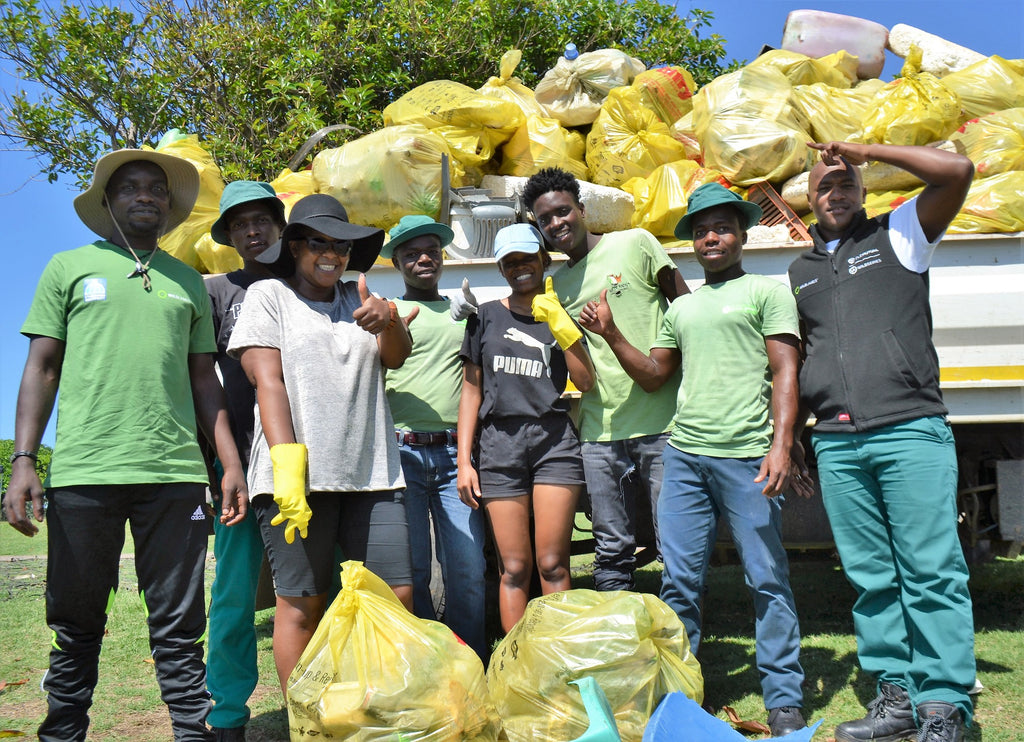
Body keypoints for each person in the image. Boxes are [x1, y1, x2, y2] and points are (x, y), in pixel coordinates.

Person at [4, 149, 247, 742]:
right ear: (108, 202)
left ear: (169, 207)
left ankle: (194, 733)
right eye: (132, 187)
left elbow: (202, 381)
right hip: (86, 472)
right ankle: (62, 733)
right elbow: (41, 368)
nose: (147, 196)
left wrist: (230, 460)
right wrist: (24, 461)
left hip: (174, 475)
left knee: (179, 627)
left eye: (157, 189)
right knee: (77, 624)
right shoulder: (69, 267)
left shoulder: (188, 281)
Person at [580, 183, 809, 737]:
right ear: (692, 241)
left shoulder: (766, 292)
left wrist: (781, 444)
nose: (712, 237)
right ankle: (682, 694)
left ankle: (783, 697)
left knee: (766, 578)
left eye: (723, 227)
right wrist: (610, 334)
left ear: (741, 234)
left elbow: (785, 372)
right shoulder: (680, 307)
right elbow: (656, 373)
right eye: (702, 230)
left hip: (748, 457)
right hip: (684, 456)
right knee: (679, 582)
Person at [788, 141, 976, 742]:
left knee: (932, 571)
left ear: (864, 191)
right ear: (809, 199)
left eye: (846, 184)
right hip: (839, 443)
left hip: (909, 429)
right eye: (824, 186)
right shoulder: (801, 272)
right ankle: (895, 698)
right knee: (871, 577)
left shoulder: (900, 235)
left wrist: (862, 149)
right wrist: (795, 435)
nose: (835, 193)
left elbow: (958, 170)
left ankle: (944, 706)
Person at [227, 193, 415, 697]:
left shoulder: (362, 300)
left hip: (372, 472)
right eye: (318, 243)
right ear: (294, 247)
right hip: (297, 482)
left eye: (342, 246)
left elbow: (394, 359)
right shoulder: (269, 296)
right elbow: (267, 380)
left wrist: (389, 319)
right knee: (302, 604)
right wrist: (289, 469)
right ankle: (305, 718)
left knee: (394, 597)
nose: (331, 254)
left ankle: (388, 712)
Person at [521, 168, 690, 591]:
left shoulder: (635, 243)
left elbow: (686, 311)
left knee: (674, 544)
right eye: (546, 219)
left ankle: (679, 643)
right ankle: (619, 639)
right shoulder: (555, 285)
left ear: (582, 209)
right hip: (599, 431)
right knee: (611, 547)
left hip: (663, 423)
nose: (557, 223)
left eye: (563, 212)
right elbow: (575, 364)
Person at [457, 223, 594, 632]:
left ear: (543, 260)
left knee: (553, 564)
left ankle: (560, 655)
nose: (520, 268)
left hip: (554, 440)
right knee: (514, 567)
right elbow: (470, 392)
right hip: (500, 444)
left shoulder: (560, 310)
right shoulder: (484, 317)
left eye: (527, 259)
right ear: (500, 268)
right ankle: (518, 663)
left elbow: (585, 382)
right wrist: (465, 461)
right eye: (510, 262)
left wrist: (563, 327)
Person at [381, 214, 489, 659]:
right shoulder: (388, 313)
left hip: (451, 455)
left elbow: (476, 379)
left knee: (466, 566)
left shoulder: (463, 312)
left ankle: (473, 660)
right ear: (397, 263)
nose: (423, 259)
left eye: (431, 251)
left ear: (442, 257)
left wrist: (477, 318)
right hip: (401, 452)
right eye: (411, 253)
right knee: (413, 568)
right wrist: (390, 326)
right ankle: (431, 663)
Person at [203, 180, 286, 741]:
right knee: (233, 594)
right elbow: (200, 383)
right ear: (230, 236)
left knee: (314, 590)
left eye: (261, 220)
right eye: (239, 224)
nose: (252, 231)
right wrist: (219, 464)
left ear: (280, 226)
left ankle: (320, 699)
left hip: (309, 467)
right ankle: (228, 713)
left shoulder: (305, 283)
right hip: (238, 469)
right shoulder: (215, 293)